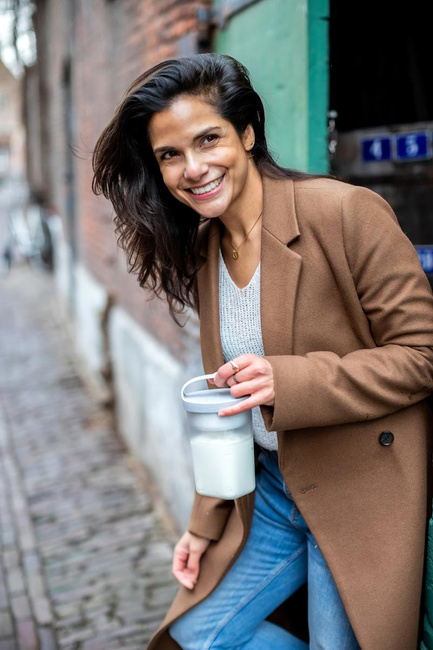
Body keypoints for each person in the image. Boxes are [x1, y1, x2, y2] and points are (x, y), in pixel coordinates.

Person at [92, 53, 433, 650]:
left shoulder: (345, 213)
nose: (192, 169)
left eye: (208, 140)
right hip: (271, 490)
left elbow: (422, 354)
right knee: (196, 638)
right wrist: (202, 526)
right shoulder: (205, 247)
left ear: (247, 134)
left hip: (356, 488)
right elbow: (226, 404)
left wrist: (291, 381)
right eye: (170, 154)